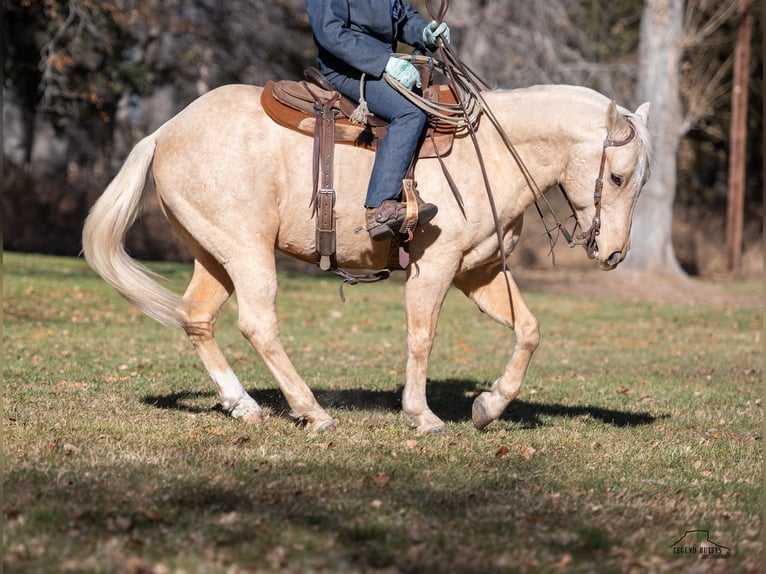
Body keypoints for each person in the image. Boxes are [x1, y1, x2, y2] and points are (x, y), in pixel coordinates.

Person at [306, 0, 451, 241]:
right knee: (410, 113)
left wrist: (425, 33)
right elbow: (330, 32)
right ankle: (380, 208)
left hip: (380, 62)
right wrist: (383, 63)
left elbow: (403, 18)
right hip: (346, 68)